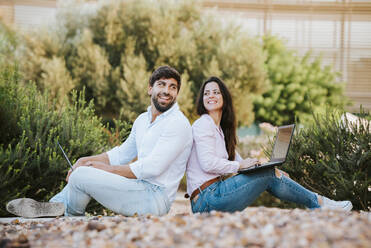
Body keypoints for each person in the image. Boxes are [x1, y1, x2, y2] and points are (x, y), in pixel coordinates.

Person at [7, 65, 193, 218]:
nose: (167, 91)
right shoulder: (142, 120)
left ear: (177, 93)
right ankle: (56, 208)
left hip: (155, 198)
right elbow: (122, 154)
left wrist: (98, 168)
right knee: (81, 171)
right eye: (162, 85)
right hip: (139, 188)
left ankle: (64, 213)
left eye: (173, 87)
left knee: (81, 176)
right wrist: (85, 160)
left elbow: (151, 168)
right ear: (150, 88)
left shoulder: (178, 123)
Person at [186, 76, 353, 213]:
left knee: (270, 173)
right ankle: (321, 204)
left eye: (216, 92)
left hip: (213, 195)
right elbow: (208, 163)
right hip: (206, 199)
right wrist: (240, 166)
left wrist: (270, 169)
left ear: (225, 98)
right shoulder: (203, 124)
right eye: (206, 93)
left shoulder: (220, 130)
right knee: (268, 175)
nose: (211, 96)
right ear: (202, 99)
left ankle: (319, 203)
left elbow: (242, 162)